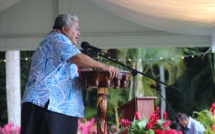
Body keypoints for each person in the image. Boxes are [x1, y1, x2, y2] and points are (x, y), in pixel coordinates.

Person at [20, 14, 120, 134]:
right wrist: (103, 66)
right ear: (65, 28)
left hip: (49, 105)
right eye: (76, 29)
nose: (79, 33)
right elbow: (77, 57)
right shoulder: (57, 39)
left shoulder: (54, 40)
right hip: (48, 104)